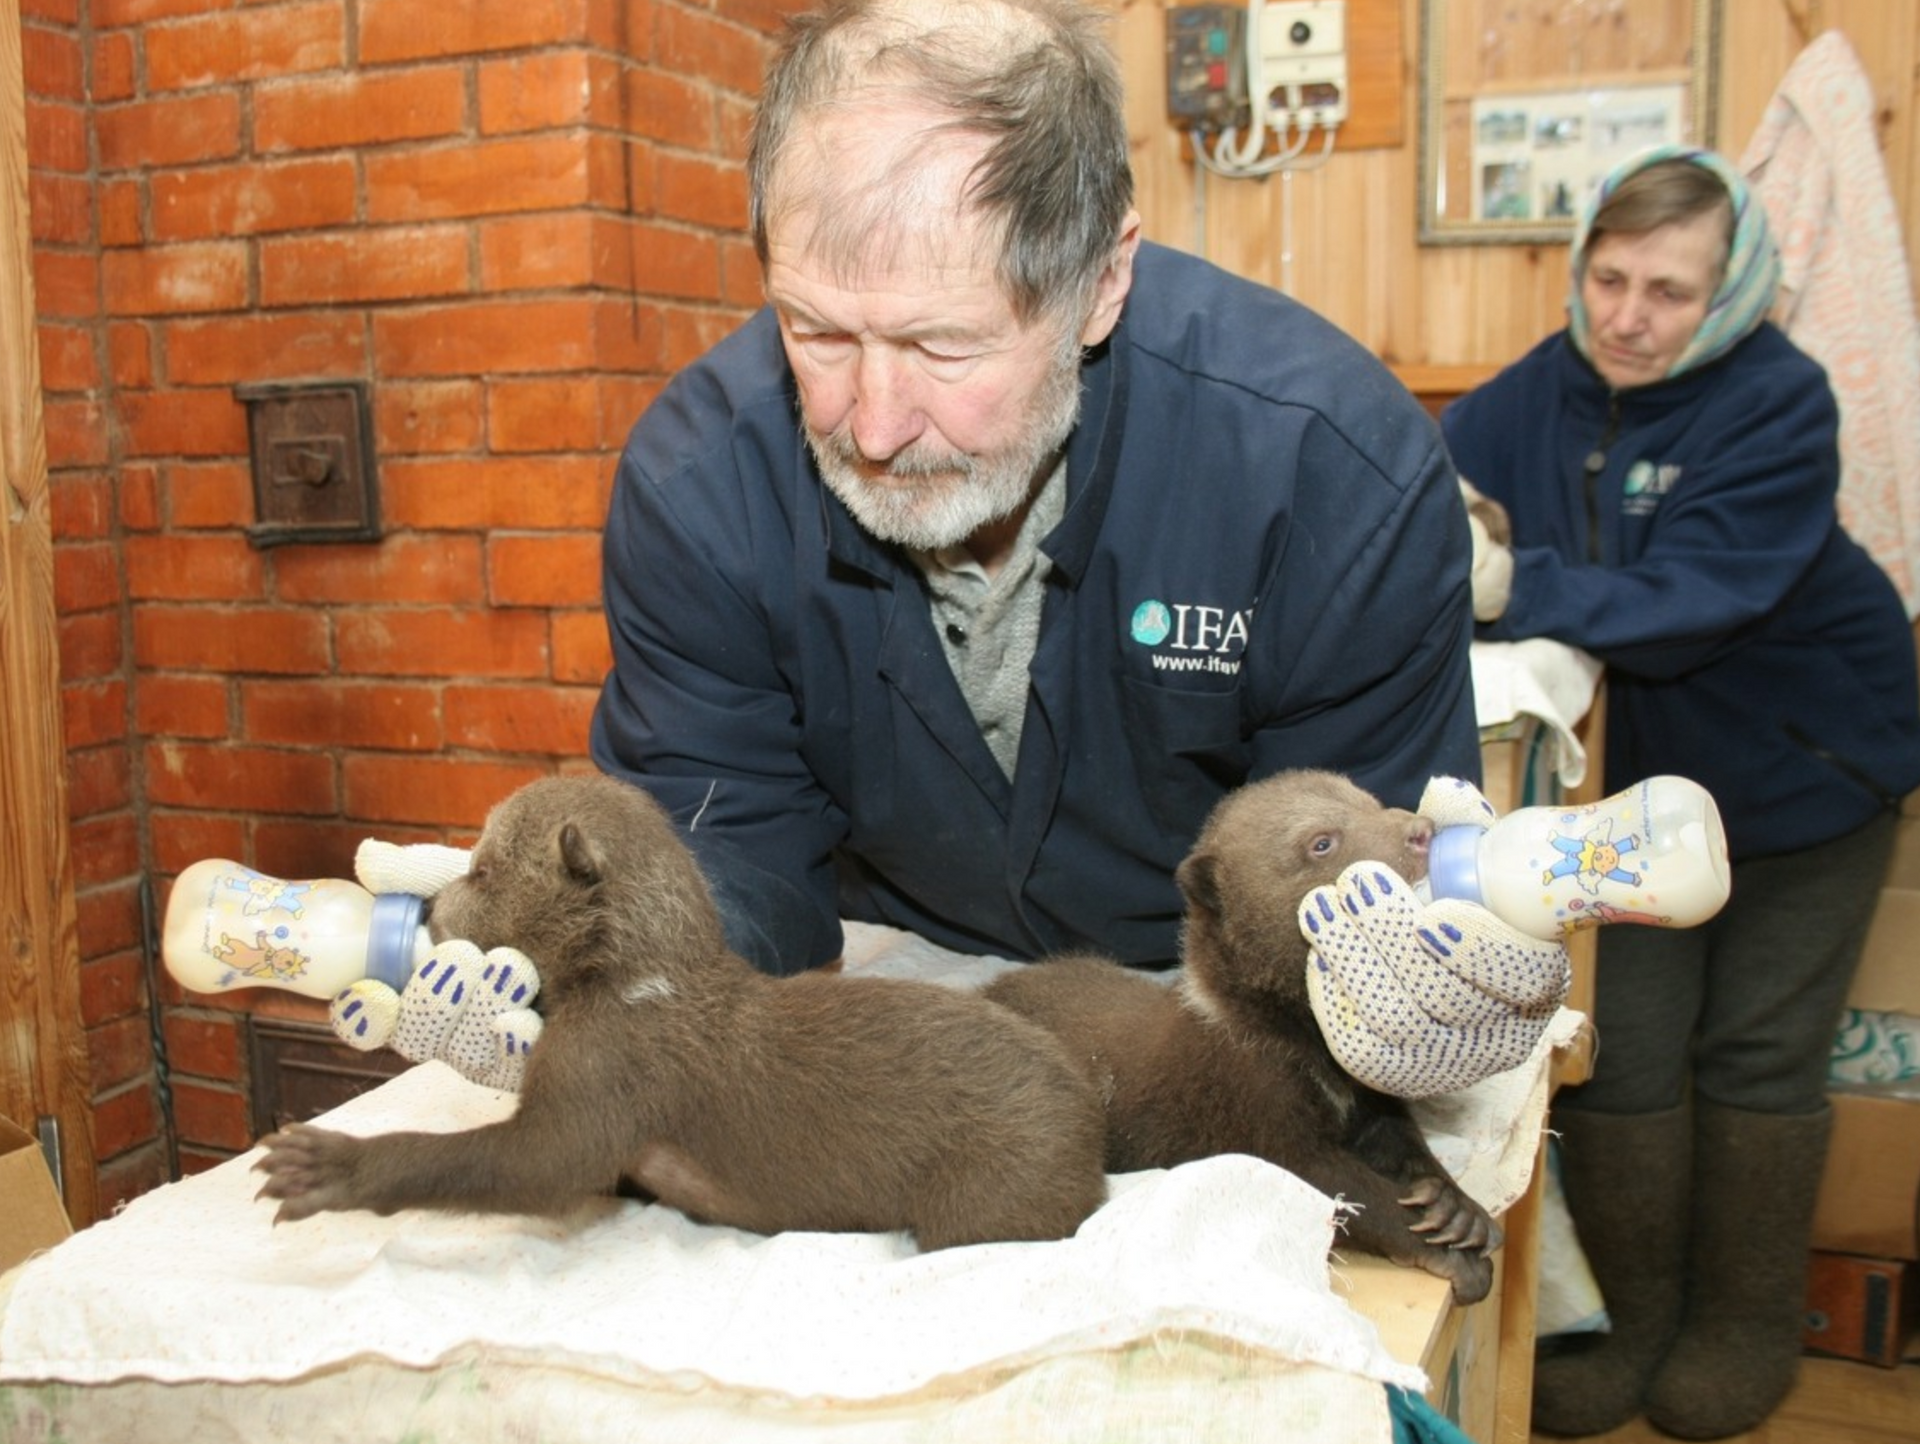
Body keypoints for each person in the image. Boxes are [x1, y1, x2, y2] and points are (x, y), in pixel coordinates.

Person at [332, 0, 1565, 1107]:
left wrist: (1419, 986)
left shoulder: (1324, 467)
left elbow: (1365, 877)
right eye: (815, 331)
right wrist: (575, 960)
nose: (868, 425)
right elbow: (730, 863)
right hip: (893, 995)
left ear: (1100, 282)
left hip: (1216, 1012)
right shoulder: (696, 485)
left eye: (943, 347)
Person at [1444, 145, 1920, 1441]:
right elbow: (1427, 485)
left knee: (1758, 1053)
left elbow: (1700, 592)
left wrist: (1512, 584)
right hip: (1637, 794)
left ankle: (1747, 1324)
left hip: (1808, 765)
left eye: (1667, 290)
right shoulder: (1520, 400)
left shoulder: (1779, 402)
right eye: (1608, 278)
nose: (1627, 317)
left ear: (1734, 294)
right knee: (1630, 1052)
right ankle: (1633, 1320)